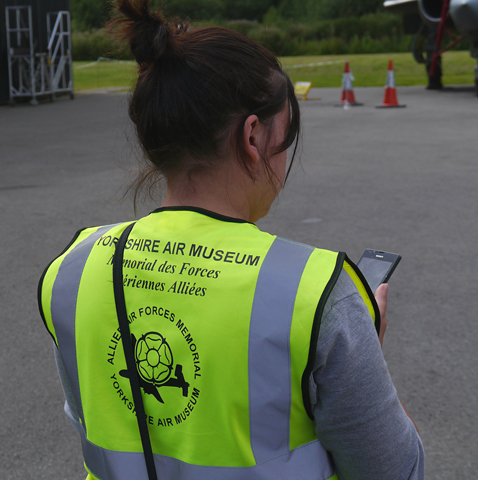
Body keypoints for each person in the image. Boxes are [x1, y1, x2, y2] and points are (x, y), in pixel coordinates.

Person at [37, 1, 425, 479]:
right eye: (288, 137)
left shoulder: (71, 269)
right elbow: (395, 470)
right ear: (253, 137)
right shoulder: (321, 295)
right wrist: (363, 350)